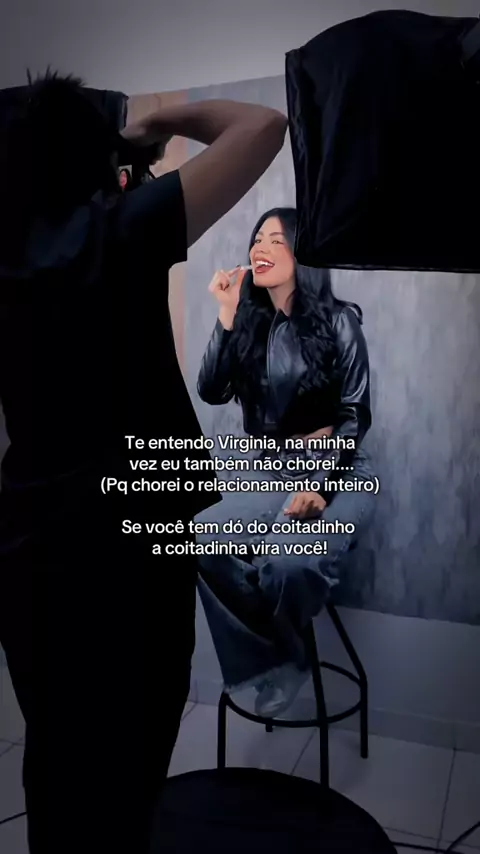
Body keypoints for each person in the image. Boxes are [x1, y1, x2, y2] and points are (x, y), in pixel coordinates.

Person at [0, 71, 287, 854]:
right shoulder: (115, 233)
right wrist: (149, 118)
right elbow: (263, 126)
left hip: (29, 552)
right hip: (126, 560)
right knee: (127, 777)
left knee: (55, 758)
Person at [195, 207, 376, 717]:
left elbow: (354, 415)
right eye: (257, 239)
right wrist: (227, 313)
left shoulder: (340, 320)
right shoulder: (249, 325)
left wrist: (319, 485)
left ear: (303, 254)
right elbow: (210, 390)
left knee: (287, 564)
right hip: (273, 470)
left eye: (277, 239)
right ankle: (283, 660)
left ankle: (280, 656)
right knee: (203, 538)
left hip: (339, 471)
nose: (261, 247)